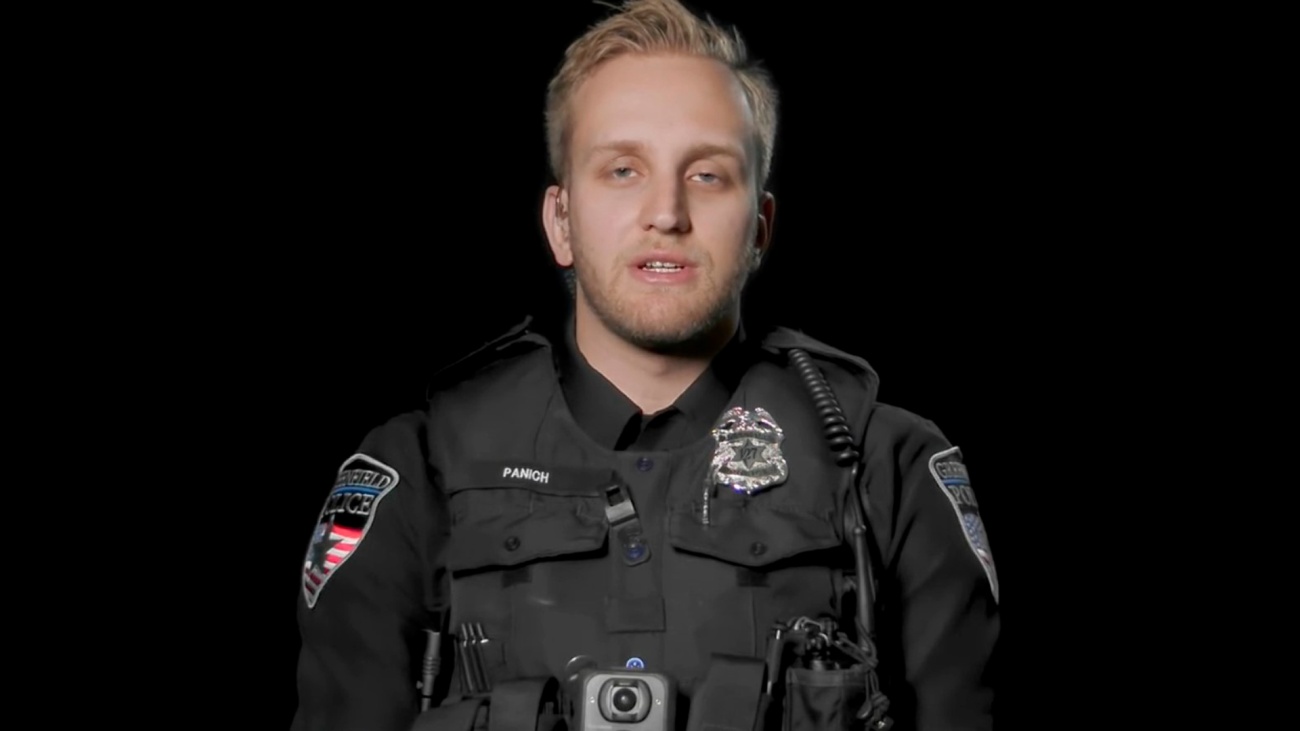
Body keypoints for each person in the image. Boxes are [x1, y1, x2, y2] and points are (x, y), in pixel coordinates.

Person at [291, 1, 1000, 729]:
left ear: (760, 228)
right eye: (623, 169)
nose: (666, 212)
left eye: (708, 174)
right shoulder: (418, 468)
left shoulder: (888, 468)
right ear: (561, 221)